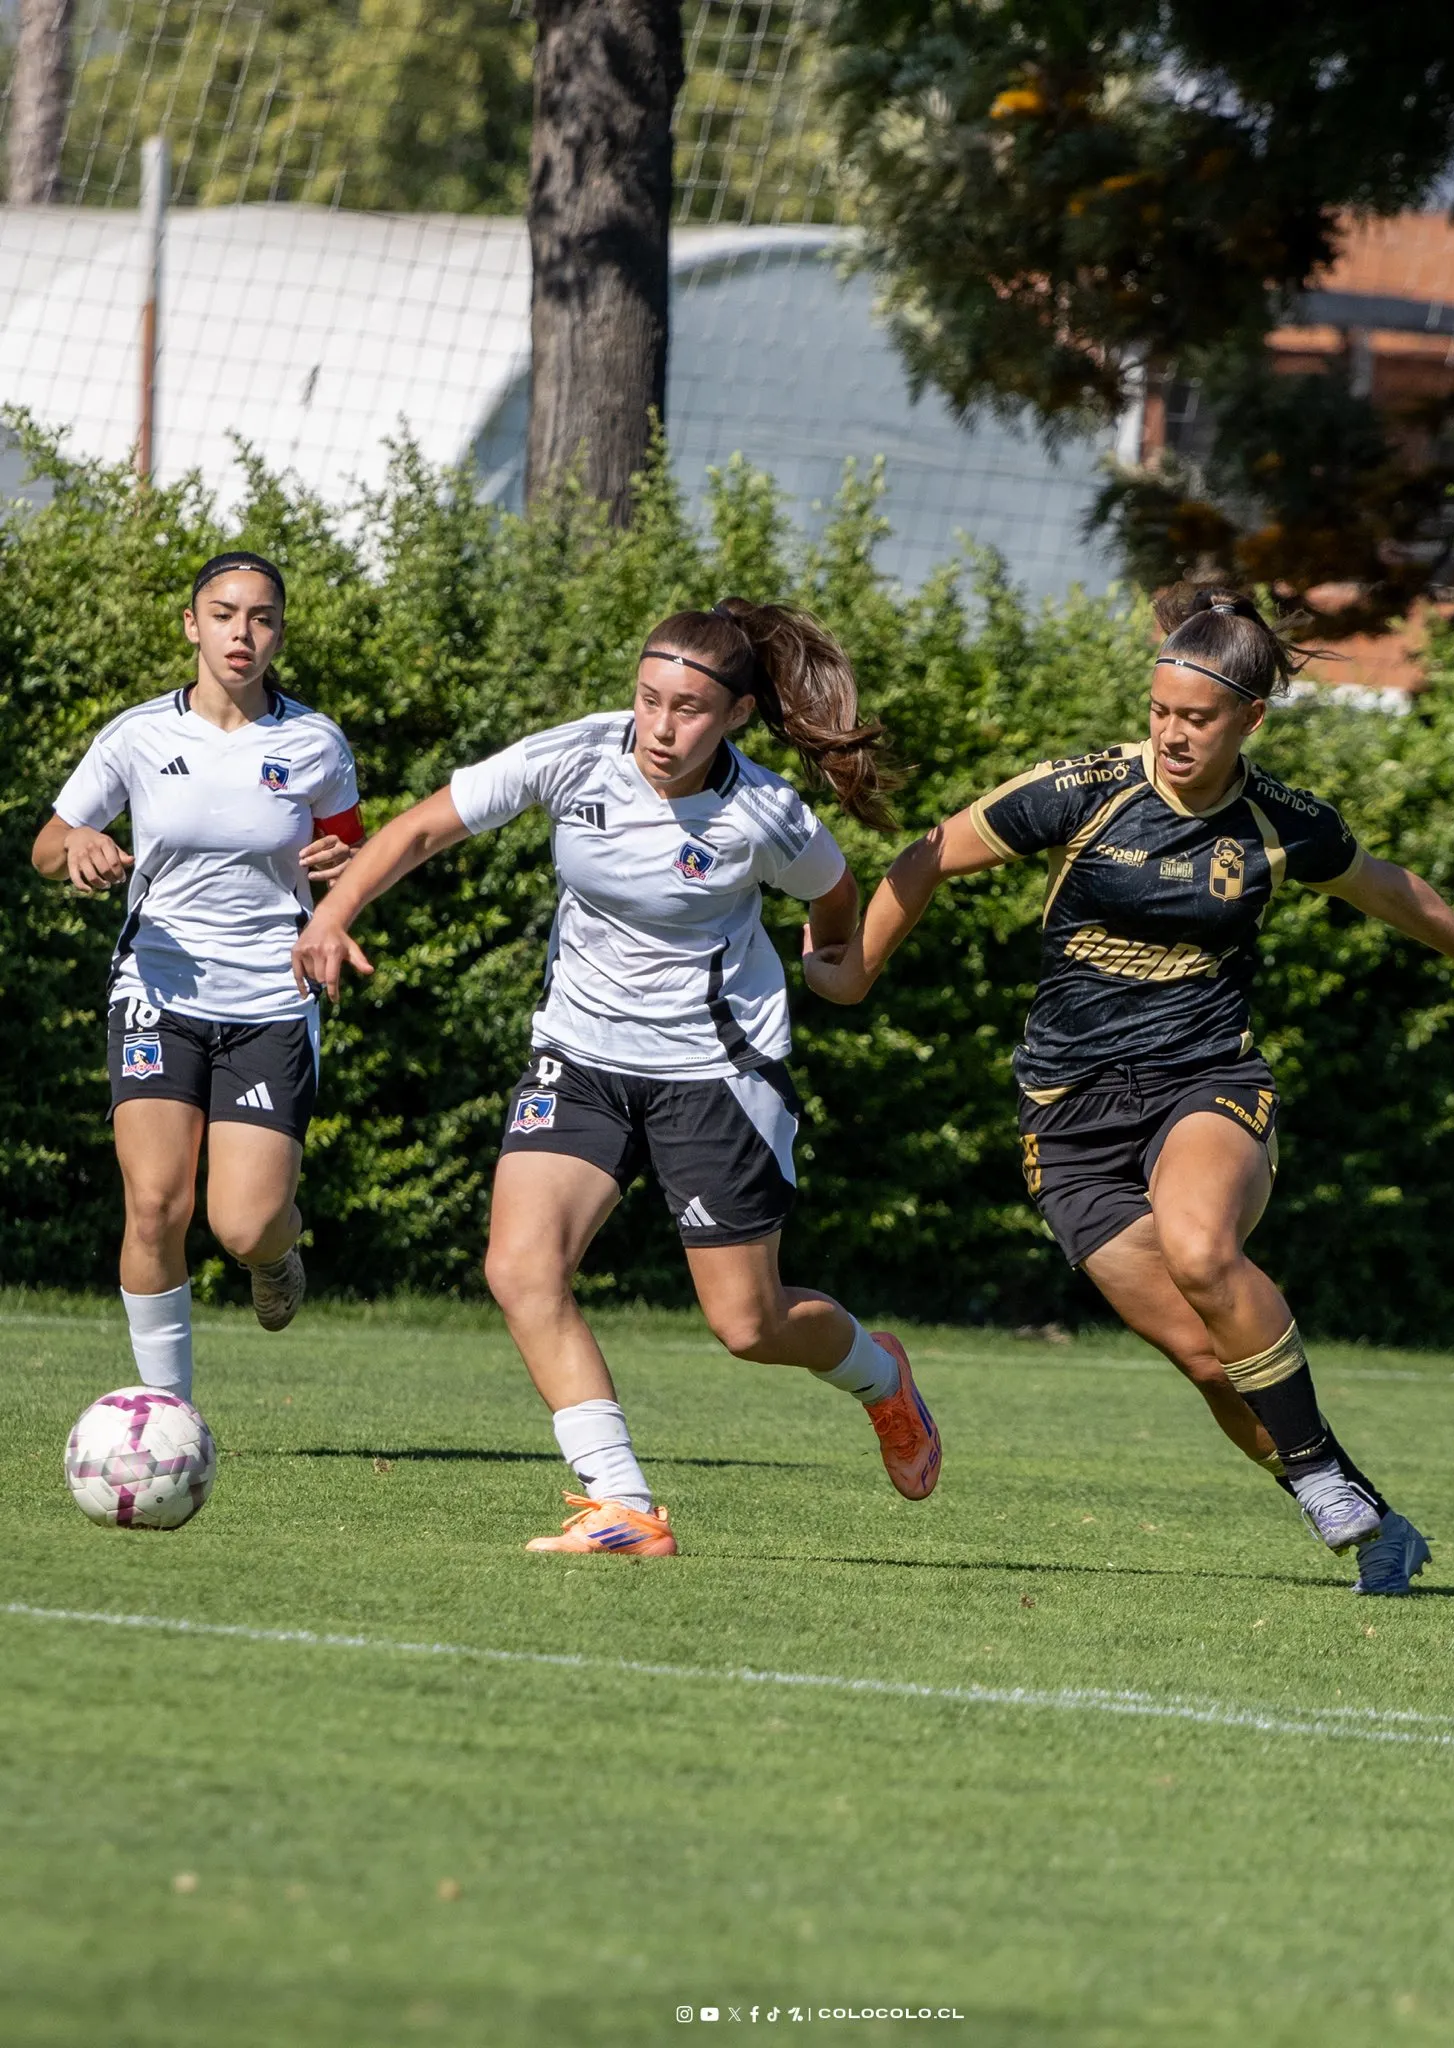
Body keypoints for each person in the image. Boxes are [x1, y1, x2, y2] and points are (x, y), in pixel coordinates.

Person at [802, 585, 1454, 1595]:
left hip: (1204, 1080)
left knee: (1202, 1245)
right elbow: (928, 856)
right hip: (1067, 1117)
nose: (1173, 735)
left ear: (1250, 719)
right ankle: (1376, 1517)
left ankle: (1315, 1475)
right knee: (1213, 1363)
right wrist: (855, 971)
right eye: (1160, 712)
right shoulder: (1082, 790)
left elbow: (1387, 883)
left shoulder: (1281, 822)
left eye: (1198, 719)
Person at [291, 598, 942, 1558]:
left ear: (737, 717)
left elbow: (836, 893)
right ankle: (623, 1504)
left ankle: (879, 1377)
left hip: (716, 1073)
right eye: (648, 700)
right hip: (581, 1054)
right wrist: (333, 914)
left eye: (687, 709)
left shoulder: (764, 813)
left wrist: (833, 956)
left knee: (749, 1325)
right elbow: (424, 829)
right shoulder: (579, 754)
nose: (661, 727)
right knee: (519, 1270)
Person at [31, 551, 363, 1412]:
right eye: (223, 614)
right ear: (192, 625)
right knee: (153, 1205)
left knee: (244, 1223)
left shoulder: (314, 741)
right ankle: (165, 1418)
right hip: (157, 988)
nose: (241, 633)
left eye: (261, 618)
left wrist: (340, 862)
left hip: (269, 999)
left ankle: (276, 1259)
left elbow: (353, 849)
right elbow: (50, 842)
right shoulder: (139, 735)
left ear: (280, 634)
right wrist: (84, 850)